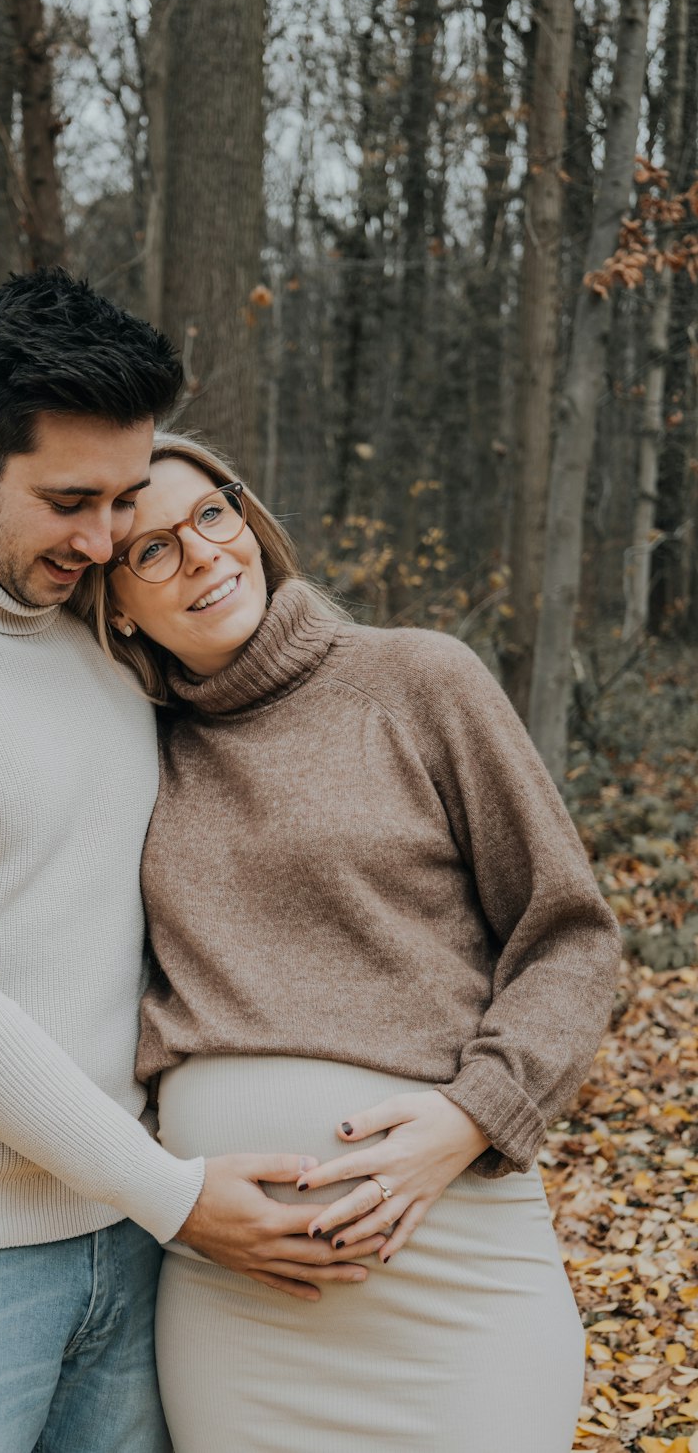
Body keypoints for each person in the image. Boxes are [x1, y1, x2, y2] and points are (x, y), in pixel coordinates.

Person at [0, 272, 366, 1453]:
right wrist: (180, 1196)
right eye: (69, 500)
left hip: (127, 1239)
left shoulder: (103, 629)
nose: (102, 540)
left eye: (125, 498)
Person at [76, 430, 623, 1453]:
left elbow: (571, 937)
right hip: (230, 1298)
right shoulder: (126, 746)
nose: (200, 554)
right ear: (114, 603)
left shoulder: (418, 680)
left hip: (452, 1274)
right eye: (150, 550)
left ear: (250, 520)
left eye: (211, 513)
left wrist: (477, 1114)